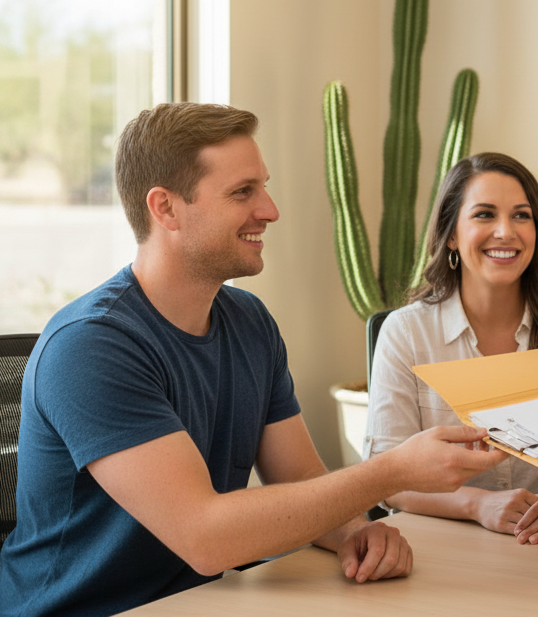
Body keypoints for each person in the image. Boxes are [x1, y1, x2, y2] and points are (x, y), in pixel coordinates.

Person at [0, 103, 505, 617]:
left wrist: (355, 530)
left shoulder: (249, 321)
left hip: (199, 604)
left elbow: (301, 479)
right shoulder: (92, 346)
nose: (270, 209)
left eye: (262, 186)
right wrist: (393, 471)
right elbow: (205, 536)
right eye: (243, 192)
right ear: (166, 208)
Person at [365, 152, 538, 545]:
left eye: (521, 215)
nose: (506, 232)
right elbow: (385, 476)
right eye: (485, 215)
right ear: (451, 234)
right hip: (441, 547)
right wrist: (477, 505)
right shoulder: (406, 333)